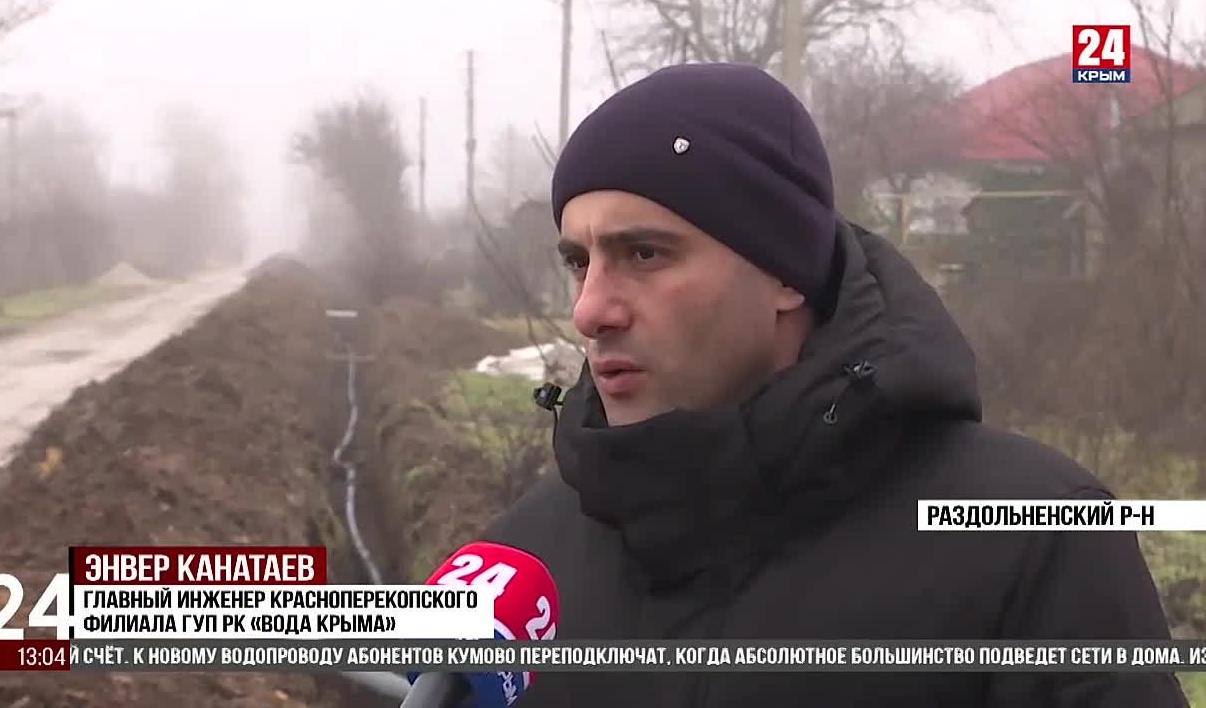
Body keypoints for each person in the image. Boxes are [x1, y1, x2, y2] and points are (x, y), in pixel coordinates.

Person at [480, 62, 1187, 707]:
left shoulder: (1035, 540)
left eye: (644, 253)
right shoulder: (522, 562)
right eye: (579, 262)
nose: (590, 311)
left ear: (787, 273)